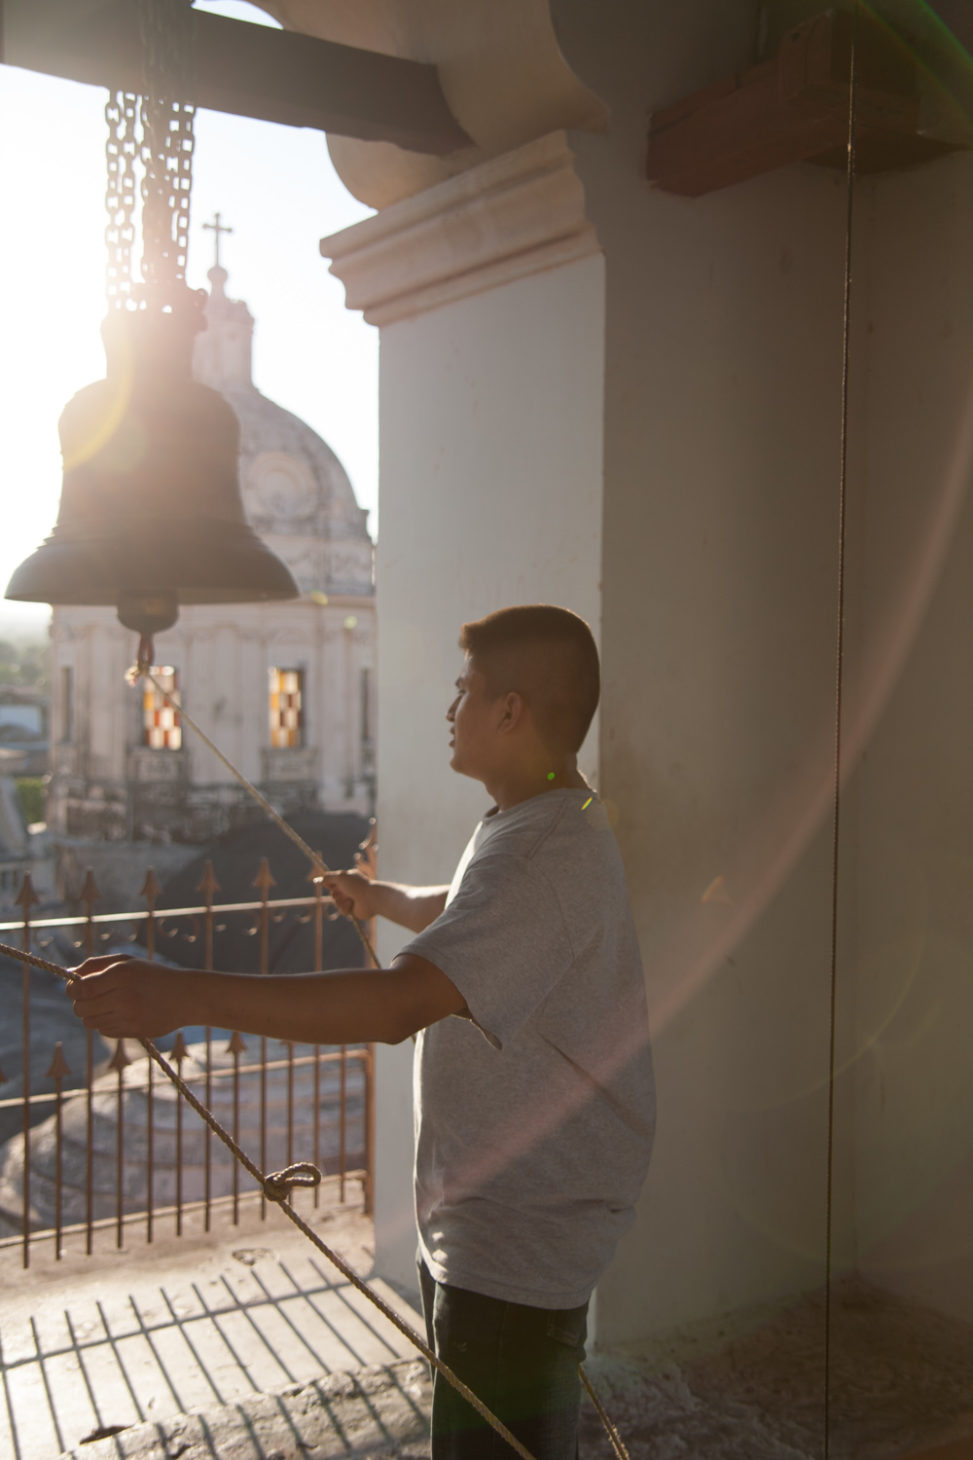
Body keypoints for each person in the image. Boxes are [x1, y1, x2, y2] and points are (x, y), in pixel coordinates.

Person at [69, 603, 655, 1460]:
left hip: (519, 1226)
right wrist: (382, 900)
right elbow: (468, 914)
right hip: (505, 1211)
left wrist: (182, 995)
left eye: (464, 691)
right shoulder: (542, 819)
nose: (448, 709)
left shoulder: (541, 853)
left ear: (509, 711)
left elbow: (394, 1008)